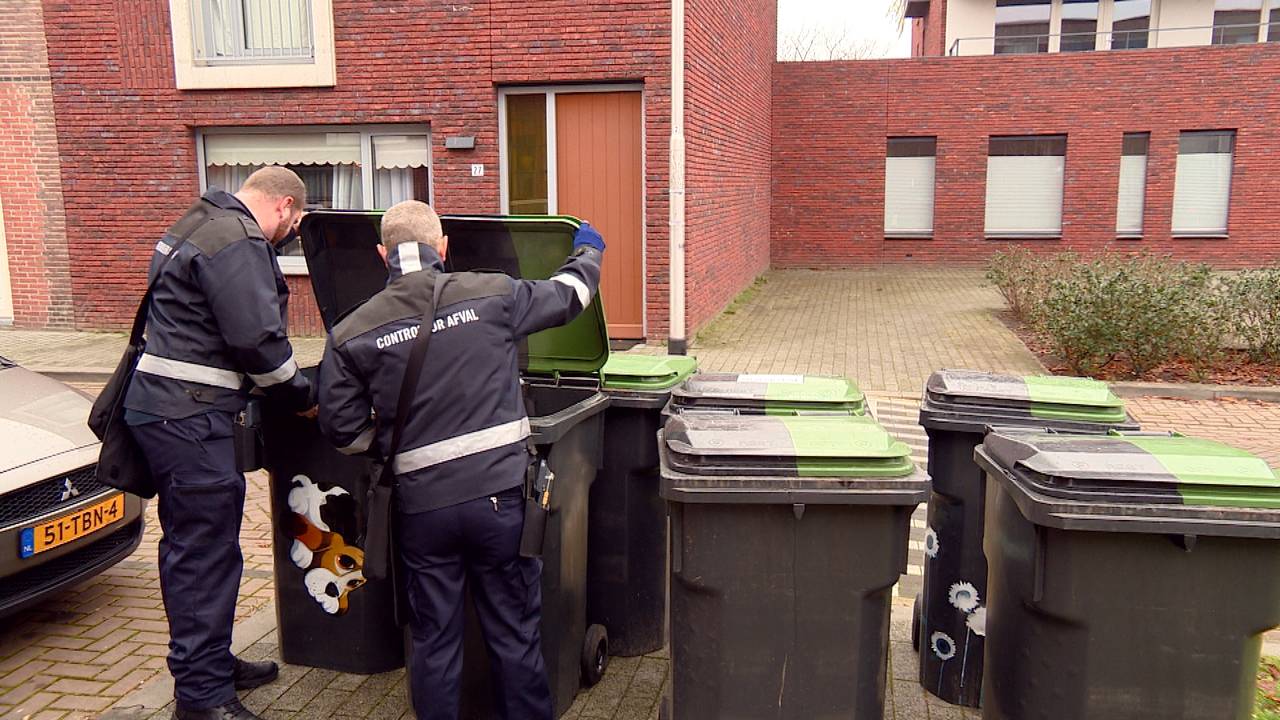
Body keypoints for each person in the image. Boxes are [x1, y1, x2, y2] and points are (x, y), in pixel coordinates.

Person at [317, 200, 605, 720]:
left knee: (433, 642)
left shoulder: (352, 330)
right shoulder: (492, 292)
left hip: (422, 511)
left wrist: (388, 446)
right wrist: (587, 248)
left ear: (383, 255)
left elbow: (340, 428)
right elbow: (571, 296)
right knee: (515, 635)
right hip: (501, 503)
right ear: (443, 247)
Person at [125, 167, 316, 720]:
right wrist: (301, 395)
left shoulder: (198, 221)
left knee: (200, 549)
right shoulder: (238, 239)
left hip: (166, 411)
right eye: (296, 224)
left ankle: (209, 662)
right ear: (283, 206)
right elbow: (258, 341)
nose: (290, 235)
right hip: (189, 418)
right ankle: (203, 697)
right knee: (203, 556)